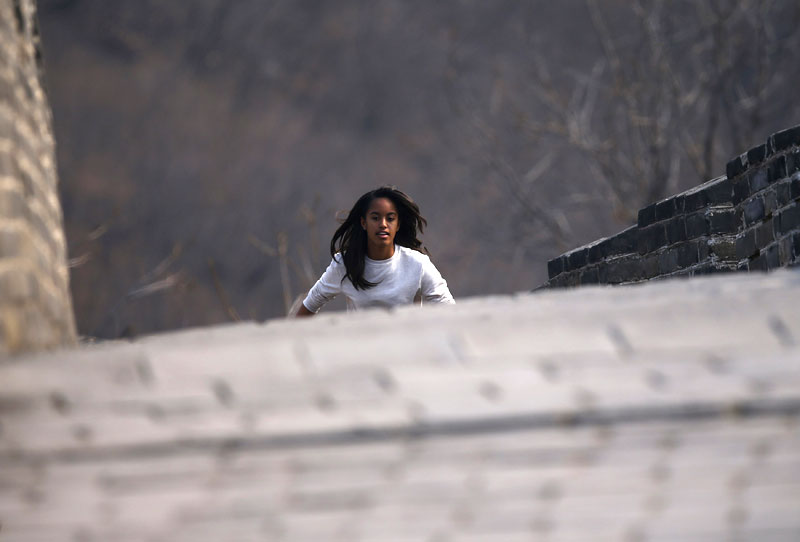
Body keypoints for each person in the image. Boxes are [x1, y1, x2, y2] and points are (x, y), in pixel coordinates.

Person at [295, 186, 455, 316]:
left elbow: (450, 312)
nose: (383, 224)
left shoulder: (417, 264)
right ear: (364, 223)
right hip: (360, 353)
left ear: (398, 225)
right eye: (375, 218)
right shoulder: (344, 263)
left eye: (390, 218)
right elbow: (311, 303)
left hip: (408, 354)